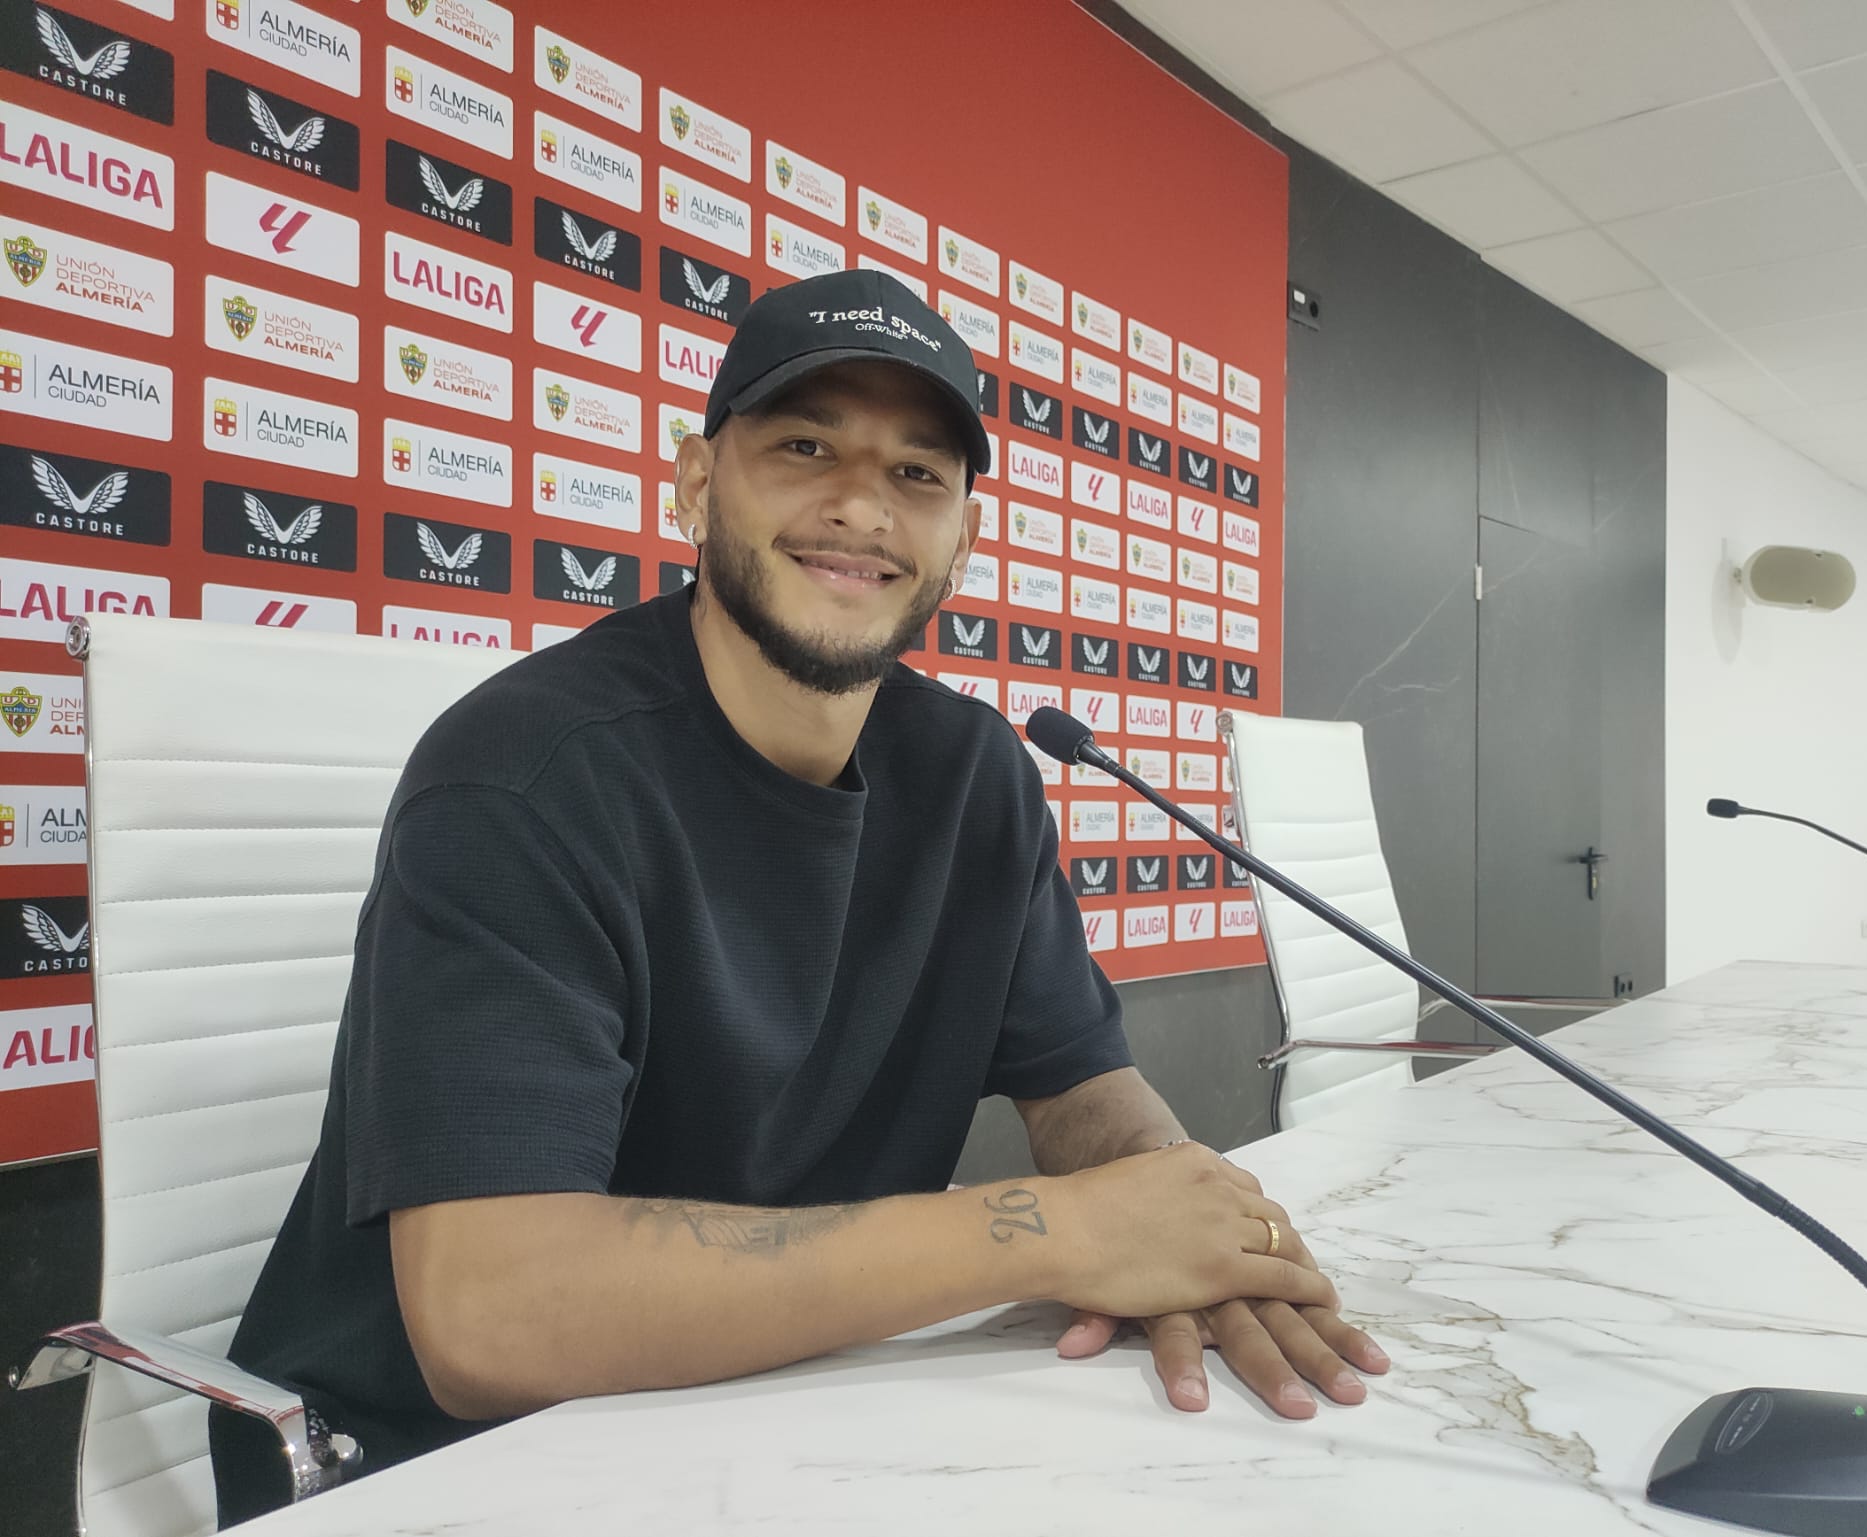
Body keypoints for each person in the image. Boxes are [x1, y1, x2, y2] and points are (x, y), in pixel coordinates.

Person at [212, 270, 1386, 1523]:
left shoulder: (976, 776)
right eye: (804, 445)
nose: (859, 507)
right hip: (423, 1465)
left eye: (917, 475)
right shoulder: (522, 779)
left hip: (771, 1414)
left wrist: (1182, 1224)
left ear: (962, 534)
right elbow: (491, 1313)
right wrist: (1059, 1232)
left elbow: (1081, 1083)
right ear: (696, 479)